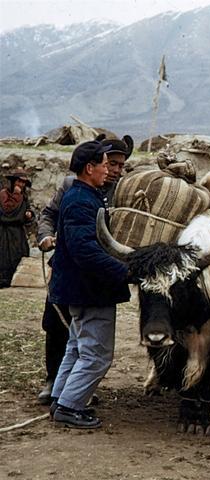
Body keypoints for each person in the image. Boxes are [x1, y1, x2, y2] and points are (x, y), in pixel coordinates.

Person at [36, 134, 133, 405]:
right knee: (69, 336)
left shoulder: (119, 190)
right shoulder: (76, 192)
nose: (113, 170)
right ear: (91, 167)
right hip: (85, 280)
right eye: (108, 163)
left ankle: (62, 395)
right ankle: (66, 398)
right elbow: (84, 249)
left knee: (77, 343)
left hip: (86, 277)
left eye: (119, 165)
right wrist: (126, 271)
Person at [0, 169, 34, 288]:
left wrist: (28, 214)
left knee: (19, 255)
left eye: (23, 182)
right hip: (4, 232)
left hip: (18, 232)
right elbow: (7, 210)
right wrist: (16, 194)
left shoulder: (23, 196)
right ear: (13, 181)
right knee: (4, 257)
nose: (21, 185)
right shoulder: (4, 194)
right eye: (19, 181)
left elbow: (26, 210)